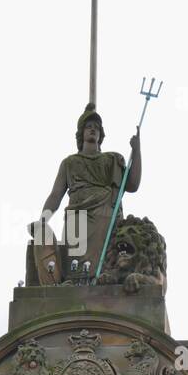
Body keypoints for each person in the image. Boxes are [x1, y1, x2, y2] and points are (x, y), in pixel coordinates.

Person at [30, 104, 141, 281]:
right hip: (77, 217)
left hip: (105, 215)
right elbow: (55, 195)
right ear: (81, 132)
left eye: (96, 128)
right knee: (76, 273)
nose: (93, 130)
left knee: (103, 270)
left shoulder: (112, 159)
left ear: (101, 135)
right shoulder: (69, 163)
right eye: (89, 126)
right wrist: (42, 220)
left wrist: (136, 150)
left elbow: (133, 184)